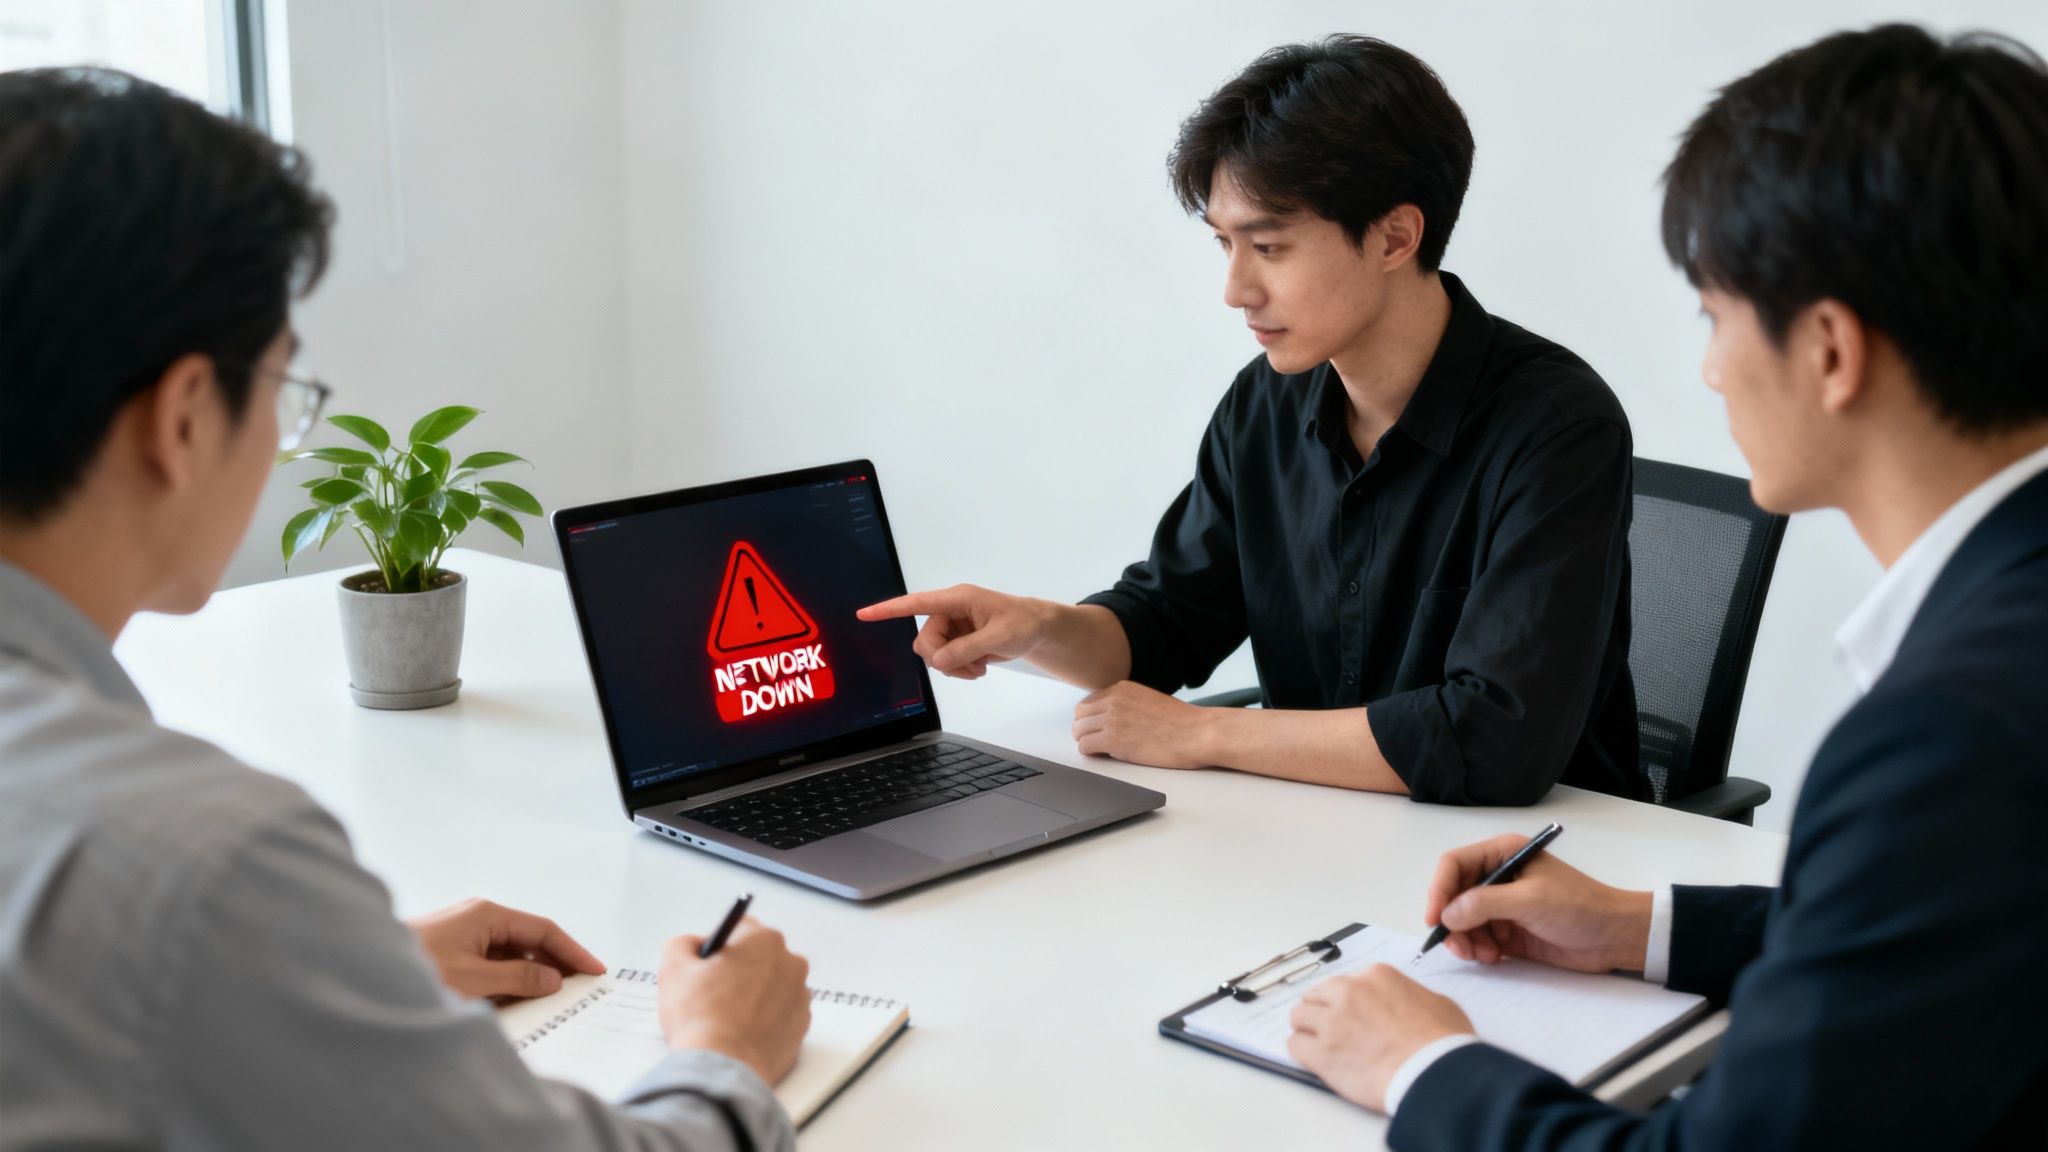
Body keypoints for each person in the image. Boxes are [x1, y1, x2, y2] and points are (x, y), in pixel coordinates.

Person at [0, 68, 811, 1151]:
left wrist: (309, 969)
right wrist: (724, 1049)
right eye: (285, 390)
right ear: (185, 415)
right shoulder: (198, 859)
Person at [1284, 24, 2048, 1148]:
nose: (1704, 367)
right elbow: (1949, 915)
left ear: (1829, 351)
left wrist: (1420, 1064)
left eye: (1713, 315)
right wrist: (1637, 925)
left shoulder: (1947, 734)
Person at [861, 35, 1643, 806]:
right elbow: (1168, 622)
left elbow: (1494, 738)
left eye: (1268, 246)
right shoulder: (1266, 402)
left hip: (1535, 876)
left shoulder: (1557, 427)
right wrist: (1034, 628)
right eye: (1224, 245)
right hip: (1321, 833)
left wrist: (1203, 736)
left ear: (1396, 236)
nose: (1235, 289)